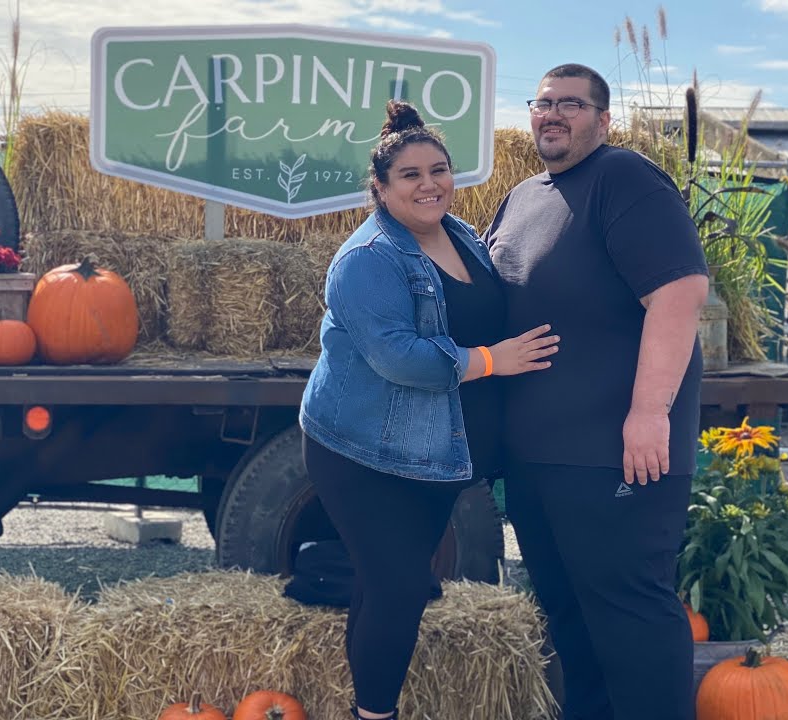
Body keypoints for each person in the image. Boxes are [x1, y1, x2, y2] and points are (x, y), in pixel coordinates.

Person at [299, 99, 559, 720]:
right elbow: (400, 358)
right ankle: (375, 713)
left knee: (388, 582)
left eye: (438, 169)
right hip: (363, 448)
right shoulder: (368, 260)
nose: (429, 184)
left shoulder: (460, 234)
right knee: (400, 588)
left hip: (433, 449)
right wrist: (492, 361)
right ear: (381, 189)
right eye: (410, 175)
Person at [485, 63, 709, 719]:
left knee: (630, 618)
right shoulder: (525, 196)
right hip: (540, 457)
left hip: (616, 453)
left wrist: (648, 414)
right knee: (570, 618)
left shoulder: (625, 179)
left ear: (604, 120)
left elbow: (678, 293)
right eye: (543, 102)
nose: (552, 114)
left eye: (572, 104)